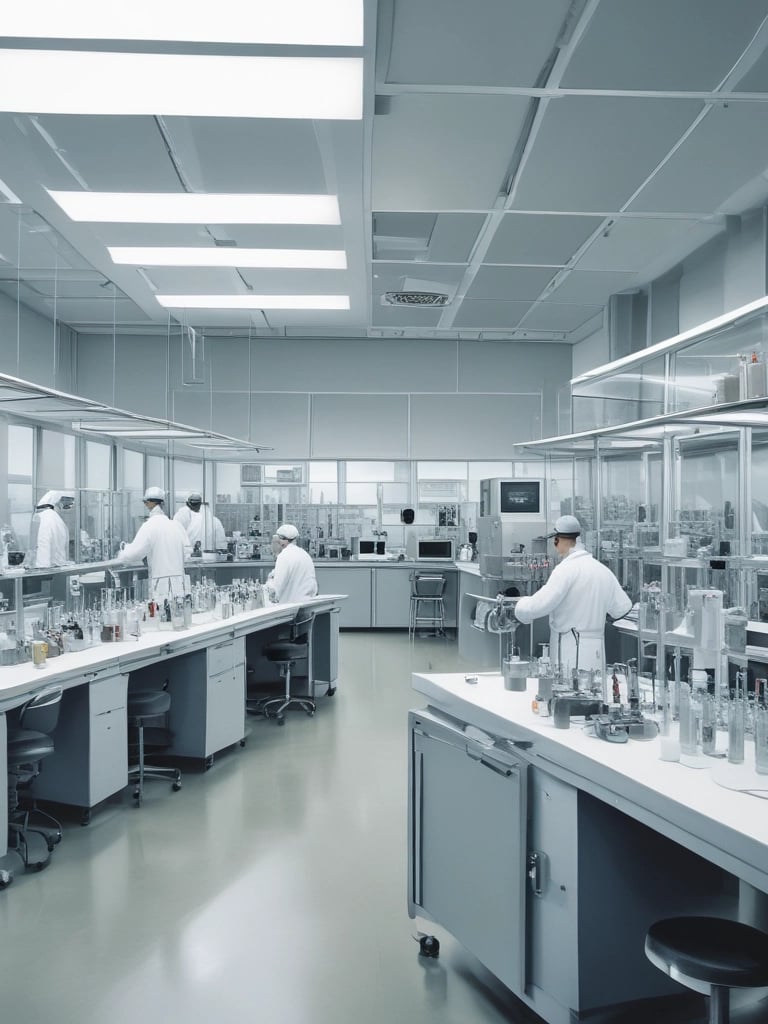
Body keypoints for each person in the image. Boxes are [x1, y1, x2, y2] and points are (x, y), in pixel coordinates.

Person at [514, 514, 631, 674]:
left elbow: (539, 605)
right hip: (596, 652)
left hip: (570, 651)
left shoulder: (565, 570)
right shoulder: (602, 570)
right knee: (594, 693)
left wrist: (518, 607)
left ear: (559, 540)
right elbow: (622, 609)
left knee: (570, 694)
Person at [116, 486, 191, 596]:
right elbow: (187, 554)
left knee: (161, 611)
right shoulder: (176, 525)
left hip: (161, 586)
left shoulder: (149, 526)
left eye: (145, 502)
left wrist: (122, 553)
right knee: (180, 610)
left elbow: (134, 554)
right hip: (180, 584)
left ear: (149, 503)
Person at [267, 523, 318, 604]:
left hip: (291, 608)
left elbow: (276, 590)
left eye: (275, 542)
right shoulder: (304, 554)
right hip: (308, 605)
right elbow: (314, 586)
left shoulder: (284, 556)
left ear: (283, 542)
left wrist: (270, 581)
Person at [31, 491, 74, 568]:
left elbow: (43, 543)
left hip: (49, 567)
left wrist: (42, 566)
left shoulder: (47, 517)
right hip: (54, 566)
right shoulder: (52, 517)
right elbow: (46, 542)